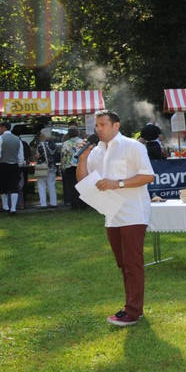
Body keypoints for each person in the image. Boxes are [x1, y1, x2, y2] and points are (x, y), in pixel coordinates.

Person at [76, 110, 156, 326]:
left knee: (132, 263)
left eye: (102, 125)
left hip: (133, 212)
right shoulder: (96, 151)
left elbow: (148, 175)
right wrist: (82, 159)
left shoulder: (132, 146)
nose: (98, 129)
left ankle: (133, 311)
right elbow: (83, 179)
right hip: (111, 213)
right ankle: (129, 307)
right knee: (123, 263)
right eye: (96, 126)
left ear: (116, 126)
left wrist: (117, 183)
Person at [0, 123, 23, 215]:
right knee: (14, 187)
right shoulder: (18, 139)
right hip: (14, 165)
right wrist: (19, 164)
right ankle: (13, 209)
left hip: (2, 165)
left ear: (3, 128)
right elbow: (20, 156)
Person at [60, 127, 85, 209]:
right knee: (82, 184)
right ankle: (83, 204)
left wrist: (63, 166)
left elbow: (64, 156)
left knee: (72, 185)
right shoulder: (83, 142)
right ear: (77, 132)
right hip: (82, 165)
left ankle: (74, 204)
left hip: (70, 166)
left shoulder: (66, 143)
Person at [34, 130, 60, 208]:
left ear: (43, 135)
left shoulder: (40, 145)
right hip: (52, 166)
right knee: (51, 185)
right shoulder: (54, 145)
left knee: (41, 185)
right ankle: (53, 202)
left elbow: (37, 156)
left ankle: (43, 204)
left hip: (42, 166)